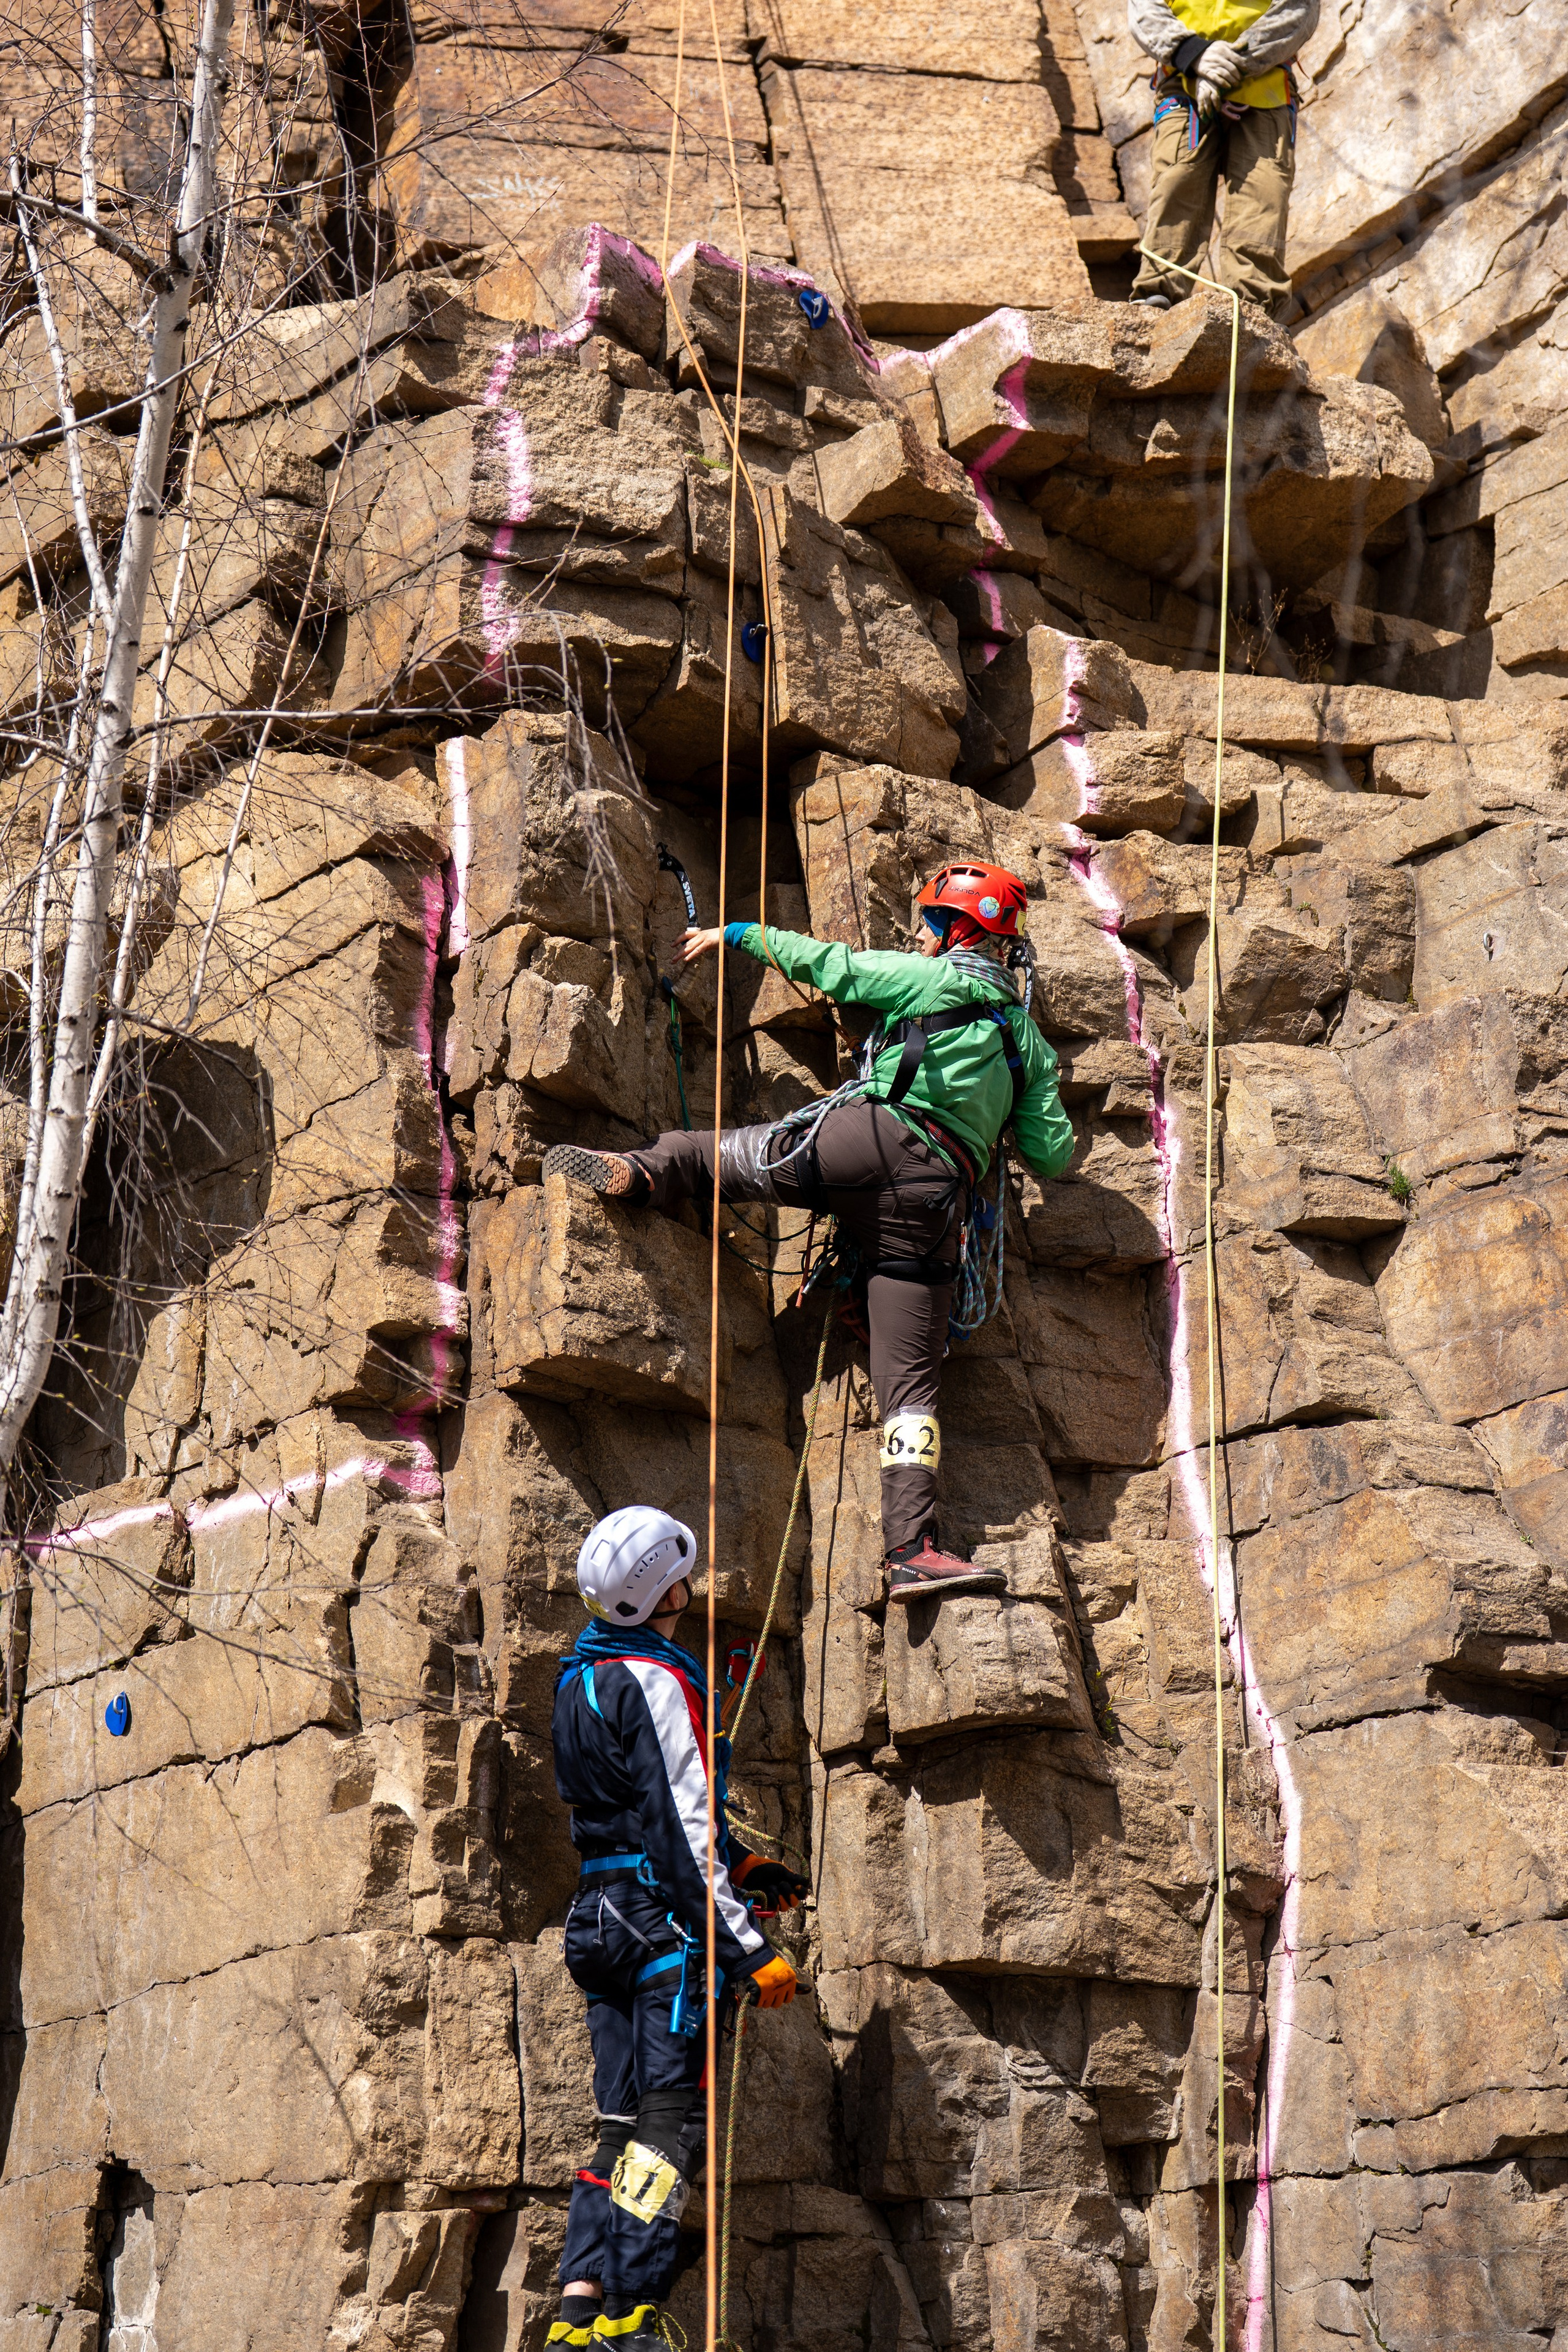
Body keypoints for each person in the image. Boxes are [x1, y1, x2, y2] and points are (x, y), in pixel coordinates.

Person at [542, 863, 1075, 1604]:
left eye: (931, 921)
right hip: (931, 1200)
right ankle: (911, 1551)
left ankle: (638, 1173)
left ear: (957, 928)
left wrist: (736, 933)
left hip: (868, 1141)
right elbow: (1051, 1154)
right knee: (911, 1390)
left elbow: (833, 966)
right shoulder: (1027, 1044)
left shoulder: (929, 981)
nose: (921, 933)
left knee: (709, 1156)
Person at [548, 1506, 807, 2351]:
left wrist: (745, 1867)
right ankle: (628, 2315)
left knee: (620, 2122)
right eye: (681, 1576)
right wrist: (748, 1950)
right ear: (664, 1591)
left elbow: (634, 1810)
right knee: (668, 2126)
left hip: (598, 1916)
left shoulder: (578, 1679)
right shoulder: (654, 1679)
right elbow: (678, 1826)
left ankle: (577, 2314)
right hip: (657, 1927)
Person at [1126, 0, 1320, 320]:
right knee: (1178, 182)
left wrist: (1228, 67)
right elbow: (1145, 10)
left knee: (1263, 195)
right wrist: (1193, 55)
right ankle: (1156, 297)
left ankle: (1254, 314)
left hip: (1266, 83)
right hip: (1184, 82)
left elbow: (1298, 10)